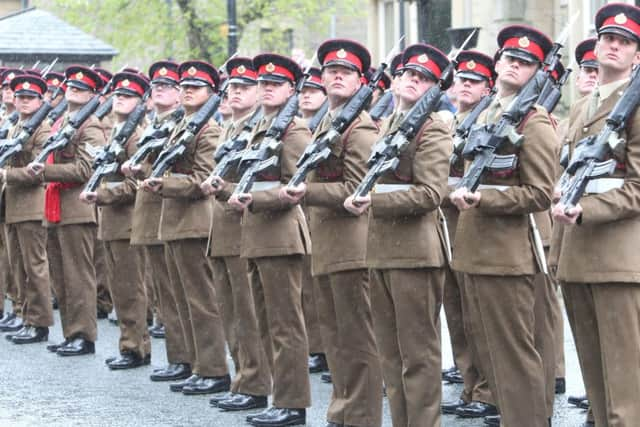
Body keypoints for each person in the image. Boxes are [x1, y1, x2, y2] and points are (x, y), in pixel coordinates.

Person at [449, 25, 558, 427]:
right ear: (496, 64)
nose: (514, 65)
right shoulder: (486, 112)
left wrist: (485, 198)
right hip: (474, 250)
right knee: (491, 355)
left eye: (524, 62)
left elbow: (539, 194)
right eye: (509, 59)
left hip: (508, 256)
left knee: (515, 356)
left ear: (536, 72)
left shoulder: (536, 122)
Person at [283, 39, 383, 427]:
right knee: (335, 339)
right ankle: (343, 409)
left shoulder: (359, 129)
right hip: (327, 244)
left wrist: (306, 191)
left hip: (351, 247)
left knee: (357, 339)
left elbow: (359, 189)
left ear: (361, 80)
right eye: (330, 71)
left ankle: (362, 415)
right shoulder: (327, 121)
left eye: (346, 72)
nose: (337, 77)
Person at [552, 4, 640, 426]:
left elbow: (638, 187)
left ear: (636, 55)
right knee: (597, 391)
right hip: (576, 258)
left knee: (627, 392)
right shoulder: (582, 107)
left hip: (619, 260)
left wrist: (584, 209)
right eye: (608, 38)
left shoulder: (635, 105)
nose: (614, 46)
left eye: (625, 42)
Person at [226, 53, 311, 427]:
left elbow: (297, 188)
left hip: (280, 236)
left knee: (285, 325)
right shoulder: (260, 128)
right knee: (265, 323)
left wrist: (252, 200)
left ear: (292, 89)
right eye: (263, 83)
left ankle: (293, 404)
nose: (266, 89)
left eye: (275, 84)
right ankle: (278, 397)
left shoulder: (293, 131)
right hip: (257, 236)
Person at [141, 60, 231, 396]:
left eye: (196, 88)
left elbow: (203, 180)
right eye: (185, 87)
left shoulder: (208, 131)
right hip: (176, 221)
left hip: (195, 222)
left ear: (210, 94)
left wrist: (163, 184)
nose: (188, 91)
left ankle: (213, 369)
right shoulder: (183, 126)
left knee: (201, 300)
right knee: (180, 300)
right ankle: (196, 364)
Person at [200, 56, 271, 412]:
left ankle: (255, 382)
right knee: (229, 310)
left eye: (244, 88)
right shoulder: (229, 126)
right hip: (223, 227)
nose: (236, 93)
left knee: (248, 311)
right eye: (233, 88)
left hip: (245, 227)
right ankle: (241, 376)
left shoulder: (262, 128)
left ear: (260, 92)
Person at [27, 65, 106, 356]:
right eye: (71, 87)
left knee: (78, 276)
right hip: (56, 205)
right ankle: (70, 331)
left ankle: (84, 335)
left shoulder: (91, 126)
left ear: (92, 95)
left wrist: (45, 172)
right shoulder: (62, 122)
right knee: (60, 276)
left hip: (76, 207)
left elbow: (87, 168)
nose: (73, 91)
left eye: (81, 89)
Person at [122, 60, 191, 382]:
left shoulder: (181, 125)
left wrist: (144, 172)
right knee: (165, 295)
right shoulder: (154, 123)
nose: (160, 90)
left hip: (171, 214)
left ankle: (187, 359)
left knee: (178, 296)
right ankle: (180, 357)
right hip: (151, 214)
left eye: (168, 86)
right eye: (157, 86)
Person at [440, 50, 499, 420]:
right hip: (445, 223)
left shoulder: (487, 121)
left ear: (487, 88)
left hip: (471, 221)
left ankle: (488, 389)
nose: (464, 86)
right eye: (460, 80)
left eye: (473, 82)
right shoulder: (447, 123)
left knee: (479, 315)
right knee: (456, 311)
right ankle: (468, 382)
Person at [79, 71, 152, 369]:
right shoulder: (117, 131)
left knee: (131, 289)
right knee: (120, 290)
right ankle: (128, 344)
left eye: (128, 96)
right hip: (111, 220)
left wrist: (103, 193)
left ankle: (137, 348)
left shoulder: (136, 136)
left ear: (139, 102)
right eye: (118, 95)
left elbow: (138, 184)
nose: (120, 100)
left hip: (128, 221)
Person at [0, 74, 53, 344]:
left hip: (31, 205)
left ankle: (40, 322)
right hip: (10, 205)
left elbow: (38, 171)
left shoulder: (42, 129)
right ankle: (24, 316)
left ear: (40, 100)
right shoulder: (15, 126)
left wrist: (6, 175)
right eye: (20, 97)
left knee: (35, 267)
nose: (23, 101)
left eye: (29, 98)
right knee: (17, 267)